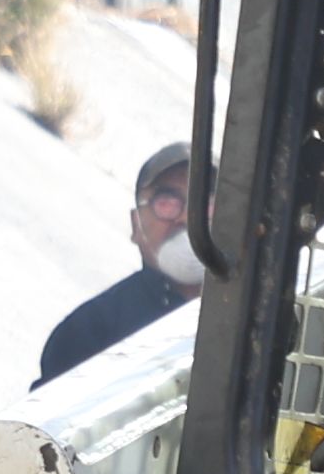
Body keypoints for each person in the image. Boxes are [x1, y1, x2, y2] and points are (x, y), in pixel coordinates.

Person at [36, 140, 204, 381]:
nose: (187, 218)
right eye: (167, 203)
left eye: (206, 204)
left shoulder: (256, 324)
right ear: (136, 225)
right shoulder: (89, 332)